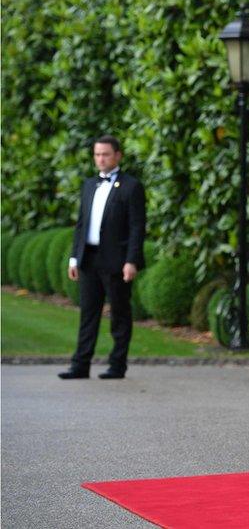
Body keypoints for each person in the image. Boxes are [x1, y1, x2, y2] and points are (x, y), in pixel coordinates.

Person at [59, 135, 146, 380]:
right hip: (90, 258)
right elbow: (81, 224)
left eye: (105, 154)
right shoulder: (89, 185)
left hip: (117, 260)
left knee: (119, 313)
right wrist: (74, 258)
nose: (100, 159)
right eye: (97, 154)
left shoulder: (131, 186)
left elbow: (137, 226)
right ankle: (80, 365)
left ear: (117, 155)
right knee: (88, 312)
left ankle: (117, 365)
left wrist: (132, 260)